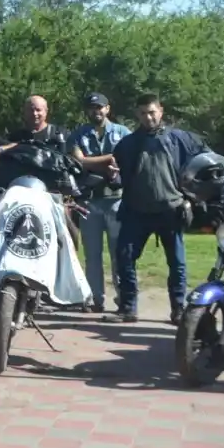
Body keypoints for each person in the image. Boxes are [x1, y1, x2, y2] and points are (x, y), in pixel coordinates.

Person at [110, 93, 209, 324]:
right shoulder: (127, 144)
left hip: (171, 209)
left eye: (152, 112)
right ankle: (127, 308)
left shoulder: (181, 139)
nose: (148, 117)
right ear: (138, 114)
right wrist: (111, 176)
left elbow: (206, 163)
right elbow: (117, 178)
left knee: (177, 263)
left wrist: (192, 197)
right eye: (143, 113)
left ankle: (178, 310)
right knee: (124, 258)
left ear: (161, 111)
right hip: (136, 211)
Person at [69, 93, 130, 314]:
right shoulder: (78, 134)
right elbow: (79, 161)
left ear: (108, 109)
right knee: (92, 255)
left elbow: (127, 160)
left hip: (116, 200)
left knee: (119, 254)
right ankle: (95, 299)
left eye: (100, 107)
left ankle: (124, 299)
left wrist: (91, 162)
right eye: (92, 108)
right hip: (89, 201)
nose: (96, 111)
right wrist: (109, 159)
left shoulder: (123, 133)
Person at [1, 95, 68, 153]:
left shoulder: (60, 134)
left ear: (46, 111)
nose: (34, 114)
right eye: (31, 110)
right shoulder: (15, 136)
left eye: (38, 110)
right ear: (24, 112)